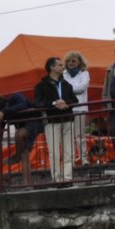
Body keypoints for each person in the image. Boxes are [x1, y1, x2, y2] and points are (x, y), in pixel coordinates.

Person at [33, 56, 78, 184]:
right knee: (54, 152)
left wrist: (65, 103)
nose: (63, 67)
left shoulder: (66, 84)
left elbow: (75, 100)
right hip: (52, 122)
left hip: (68, 120)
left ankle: (67, 178)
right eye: (60, 65)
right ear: (51, 67)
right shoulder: (41, 86)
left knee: (69, 151)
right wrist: (54, 103)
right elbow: (37, 103)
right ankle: (57, 178)